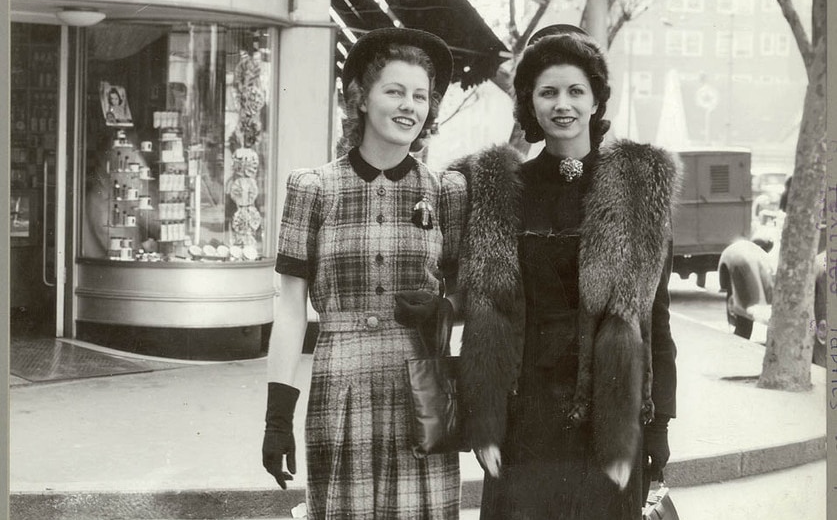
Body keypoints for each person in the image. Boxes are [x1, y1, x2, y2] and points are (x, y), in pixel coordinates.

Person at [450, 25, 679, 519]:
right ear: (529, 103)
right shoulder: (497, 191)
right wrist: (482, 422)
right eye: (548, 91)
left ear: (596, 100)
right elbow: (482, 315)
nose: (563, 104)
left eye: (576, 90)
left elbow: (655, 321)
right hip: (523, 419)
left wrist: (657, 428)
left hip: (607, 419)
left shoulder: (636, 189)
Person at [262, 27, 467, 519]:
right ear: (361, 99)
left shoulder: (447, 192)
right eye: (394, 91)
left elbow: (471, 297)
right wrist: (276, 418)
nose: (409, 106)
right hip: (341, 384)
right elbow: (290, 309)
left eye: (420, 96)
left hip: (421, 391)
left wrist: (445, 308)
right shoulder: (313, 188)